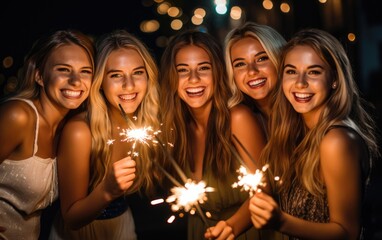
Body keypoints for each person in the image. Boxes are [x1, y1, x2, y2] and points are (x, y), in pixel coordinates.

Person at [249, 28, 380, 239]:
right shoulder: (299, 134)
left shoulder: (336, 140)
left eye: (314, 72)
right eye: (291, 71)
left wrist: (281, 221)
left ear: (335, 80)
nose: (300, 83)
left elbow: (347, 232)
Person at [48, 29, 163, 239]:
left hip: (123, 226)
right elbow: (71, 218)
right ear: (100, 81)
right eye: (116, 75)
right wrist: (107, 190)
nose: (129, 85)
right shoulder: (80, 131)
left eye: (137, 72)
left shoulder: (146, 126)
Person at [159, 29, 267, 240]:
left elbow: (266, 189)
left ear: (217, 71)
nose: (193, 79)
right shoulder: (177, 128)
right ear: (172, 77)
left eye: (203, 68)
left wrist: (231, 228)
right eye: (183, 70)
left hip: (244, 232)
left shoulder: (237, 118)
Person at [0, 29, 94, 240]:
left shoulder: (71, 130)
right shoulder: (18, 116)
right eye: (64, 69)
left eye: (85, 71)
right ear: (40, 75)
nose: (76, 81)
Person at [224, 22, 286, 137]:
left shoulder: (304, 110)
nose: (252, 71)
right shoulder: (238, 118)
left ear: (280, 59)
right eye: (240, 64)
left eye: (261, 59)